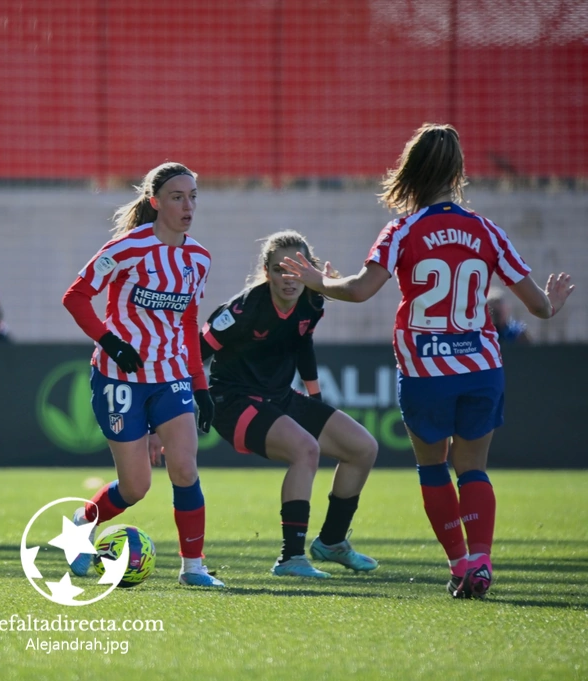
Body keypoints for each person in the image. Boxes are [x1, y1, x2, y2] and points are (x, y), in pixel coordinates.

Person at [280, 123, 575, 599]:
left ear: (411, 170)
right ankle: (481, 559)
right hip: (481, 367)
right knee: (474, 468)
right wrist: (554, 302)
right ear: (458, 172)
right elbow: (538, 307)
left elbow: (358, 289)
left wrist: (317, 280)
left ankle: (459, 565)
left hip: (425, 371)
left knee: (433, 467)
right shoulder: (486, 230)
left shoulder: (402, 230)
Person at [60, 161, 223, 588]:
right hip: (118, 379)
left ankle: (194, 568)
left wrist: (200, 385)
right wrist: (110, 341)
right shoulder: (127, 248)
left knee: (185, 469)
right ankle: (82, 523)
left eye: (192, 197)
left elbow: (188, 323)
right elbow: (75, 298)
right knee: (135, 488)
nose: (187, 206)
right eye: (177, 197)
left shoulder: (199, 258)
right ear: (155, 202)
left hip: (172, 377)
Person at [199, 230, 379, 578]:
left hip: (279, 397)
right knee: (306, 450)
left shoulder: (313, 300)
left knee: (363, 448)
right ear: (266, 272)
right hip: (234, 402)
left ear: (309, 269)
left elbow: (302, 344)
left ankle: (332, 541)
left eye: (298, 268)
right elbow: (196, 351)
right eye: (280, 269)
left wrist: (315, 401)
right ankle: (291, 558)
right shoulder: (243, 309)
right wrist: (195, 396)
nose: (289, 278)